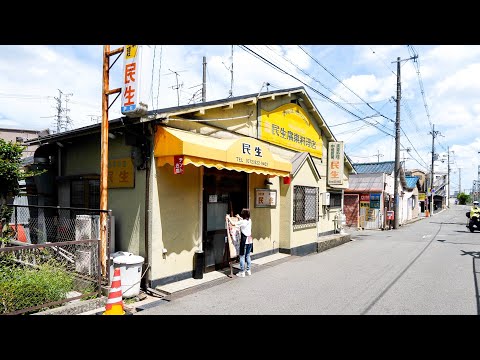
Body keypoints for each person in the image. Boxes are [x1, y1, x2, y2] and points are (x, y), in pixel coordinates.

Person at [234, 208, 253, 277]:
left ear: (243, 215)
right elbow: (243, 221)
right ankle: (248, 270)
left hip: (244, 241)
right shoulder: (249, 220)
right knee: (248, 255)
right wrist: (239, 217)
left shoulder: (243, 222)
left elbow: (233, 223)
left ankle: (242, 272)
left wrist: (228, 218)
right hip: (250, 241)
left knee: (242, 256)